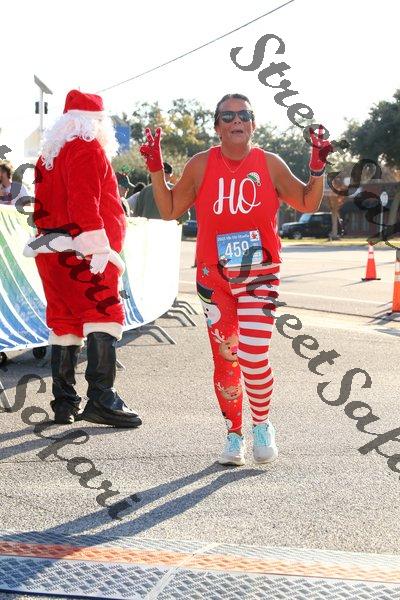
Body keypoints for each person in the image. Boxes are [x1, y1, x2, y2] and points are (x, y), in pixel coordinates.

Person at [140, 93, 332, 466]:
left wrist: (317, 168)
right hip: (213, 275)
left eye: (244, 114)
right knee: (226, 358)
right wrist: (155, 169)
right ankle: (234, 434)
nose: (236, 121)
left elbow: (308, 203)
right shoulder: (200, 165)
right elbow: (169, 209)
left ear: (253, 124)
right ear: (217, 127)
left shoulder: (270, 163)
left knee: (253, 354)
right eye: (227, 116)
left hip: (259, 271)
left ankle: (262, 424)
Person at [23, 89, 141, 428]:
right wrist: (98, 247)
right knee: (103, 314)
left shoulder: (49, 155)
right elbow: (83, 201)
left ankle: (64, 403)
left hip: (52, 251)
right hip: (85, 252)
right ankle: (102, 399)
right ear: (97, 122)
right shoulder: (87, 148)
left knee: (65, 321)